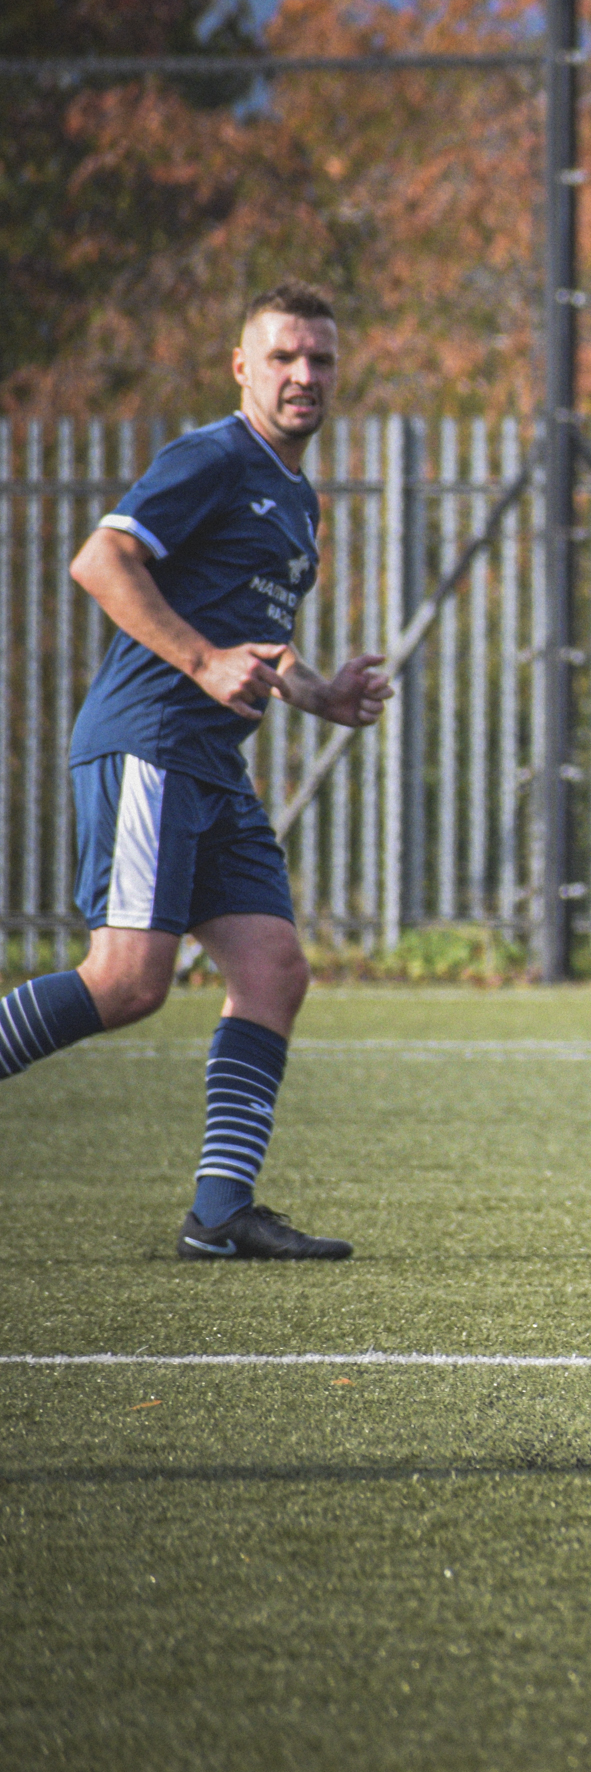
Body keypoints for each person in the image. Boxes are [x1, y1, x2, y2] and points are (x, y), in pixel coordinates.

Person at [0, 281, 392, 1258]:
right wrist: (202, 662)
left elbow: (258, 641)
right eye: (284, 357)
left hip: (212, 765)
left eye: (321, 359)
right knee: (129, 980)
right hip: (152, 741)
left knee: (272, 968)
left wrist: (320, 694)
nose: (305, 376)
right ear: (242, 367)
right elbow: (101, 559)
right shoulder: (215, 456)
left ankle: (219, 1214)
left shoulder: (296, 498)